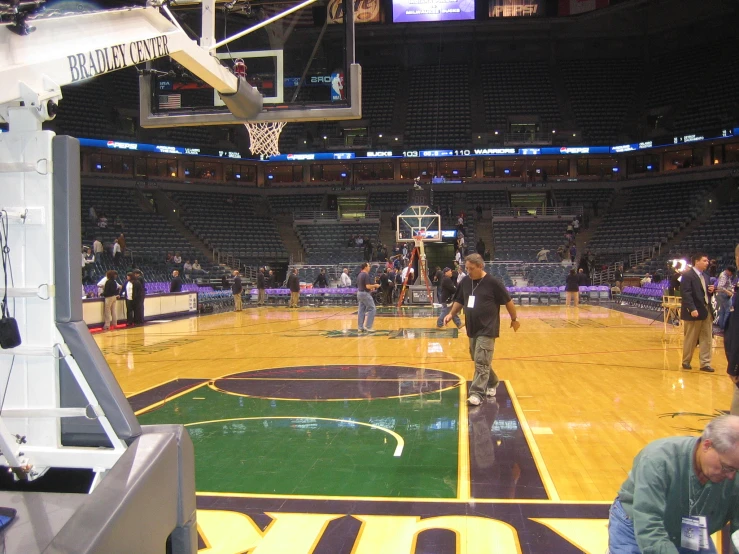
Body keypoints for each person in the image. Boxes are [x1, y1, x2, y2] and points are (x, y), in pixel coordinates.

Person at [608, 415, 739, 553]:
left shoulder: (734, 467)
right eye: (726, 467)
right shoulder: (658, 460)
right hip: (636, 526)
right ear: (707, 445)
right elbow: (649, 525)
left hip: (690, 531)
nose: (731, 476)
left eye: (736, 470)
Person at [443, 254, 520, 405]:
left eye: (471, 269)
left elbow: (508, 302)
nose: (468, 271)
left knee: (481, 360)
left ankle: (477, 393)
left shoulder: (493, 283)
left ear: (480, 267)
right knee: (477, 358)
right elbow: (459, 300)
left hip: (488, 328)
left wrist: (514, 319)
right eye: (467, 268)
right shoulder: (465, 281)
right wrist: (451, 314)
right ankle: (492, 381)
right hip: (472, 328)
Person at [681, 252, 715, 372]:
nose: (707, 262)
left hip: (706, 310)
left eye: (707, 260)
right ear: (697, 261)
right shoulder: (687, 275)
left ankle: (705, 363)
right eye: (705, 260)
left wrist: (711, 291)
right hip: (694, 310)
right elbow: (686, 293)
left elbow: (704, 293)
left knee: (707, 338)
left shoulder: (705, 276)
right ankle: (686, 361)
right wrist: (692, 308)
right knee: (691, 338)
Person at [357, 262, 380, 332]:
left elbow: (364, 285)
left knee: (361, 311)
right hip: (365, 294)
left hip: (359, 293)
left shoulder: (360, 274)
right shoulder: (366, 275)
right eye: (369, 266)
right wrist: (375, 285)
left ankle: (360, 327)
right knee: (372, 309)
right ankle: (368, 326)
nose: (370, 267)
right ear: (365, 267)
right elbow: (367, 286)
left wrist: (370, 288)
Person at [716, 266, 735, 330]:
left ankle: (722, 327)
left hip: (722, 295)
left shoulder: (725, 275)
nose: (731, 275)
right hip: (724, 295)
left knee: (722, 311)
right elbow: (720, 287)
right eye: (731, 273)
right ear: (728, 271)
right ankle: (725, 327)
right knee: (728, 311)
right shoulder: (724, 276)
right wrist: (728, 292)